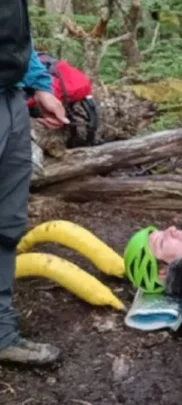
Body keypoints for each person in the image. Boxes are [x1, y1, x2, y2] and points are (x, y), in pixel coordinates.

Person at [0, 0, 69, 366]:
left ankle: (2, 334)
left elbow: (17, 32)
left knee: (7, 224)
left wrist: (40, 85)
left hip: (10, 98)